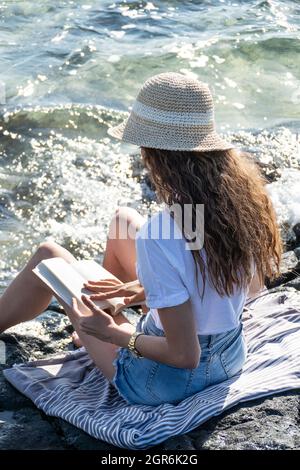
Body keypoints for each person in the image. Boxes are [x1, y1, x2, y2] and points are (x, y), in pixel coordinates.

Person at [0, 72, 282, 406]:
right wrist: (142, 288)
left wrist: (112, 333)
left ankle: (94, 331)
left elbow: (184, 355)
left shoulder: (161, 235)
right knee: (123, 221)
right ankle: (103, 316)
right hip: (229, 358)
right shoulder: (243, 205)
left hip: (159, 380)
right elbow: (247, 288)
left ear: (154, 153)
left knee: (49, 256)